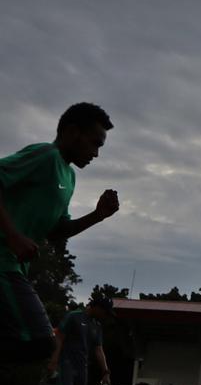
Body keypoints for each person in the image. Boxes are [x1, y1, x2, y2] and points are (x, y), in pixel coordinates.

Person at [1, 103, 119, 370]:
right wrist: (14, 236)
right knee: (41, 340)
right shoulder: (45, 155)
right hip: (3, 262)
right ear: (71, 132)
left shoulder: (68, 176)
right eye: (94, 143)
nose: (96, 153)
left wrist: (97, 215)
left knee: (34, 345)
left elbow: (56, 231)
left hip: (15, 267)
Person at [49, 291, 113, 385]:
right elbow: (60, 337)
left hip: (82, 365)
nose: (105, 315)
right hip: (67, 362)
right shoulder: (74, 316)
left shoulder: (96, 325)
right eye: (104, 311)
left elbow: (99, 349)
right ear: (96, 307)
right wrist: (54, 359)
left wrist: (105, 371)